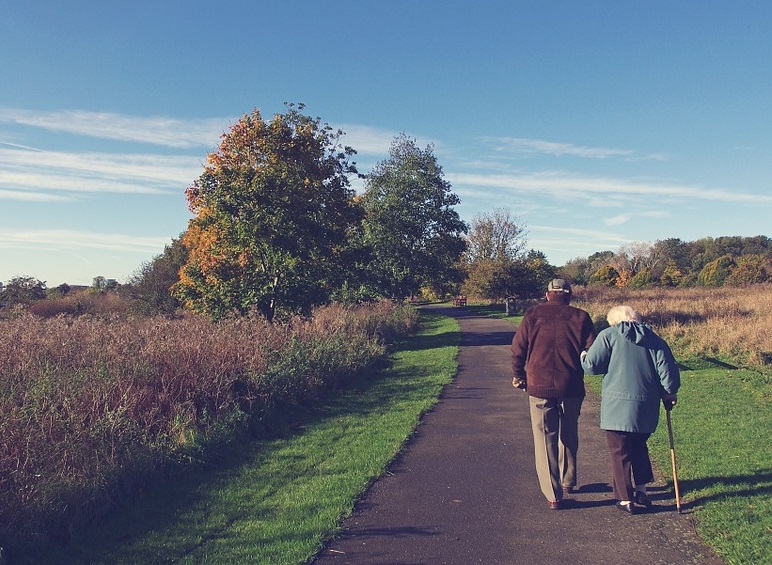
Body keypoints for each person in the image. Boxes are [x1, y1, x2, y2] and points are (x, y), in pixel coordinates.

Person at [581, 305, 680, 514]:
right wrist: (669, 393)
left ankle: (625, 499)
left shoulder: (608, 335)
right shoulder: (654, 339)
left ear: (614, 321)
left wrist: (583, 356)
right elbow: (668, 372)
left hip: (617, 406)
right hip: (646, 406)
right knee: (639, 446)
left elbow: (592, 366)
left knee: (619, 451)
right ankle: (642, 490)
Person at [511, 278, 596, 509]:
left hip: (539, 385)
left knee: (544, 439)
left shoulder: (532, 315)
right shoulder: (581, 317)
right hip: (571, 386)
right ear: (569, 296)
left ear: (547, 295)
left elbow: (518, 349)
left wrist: (519, 376)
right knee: (569, 432)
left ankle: (553, 494)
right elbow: (592, 351)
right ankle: (568, 480)